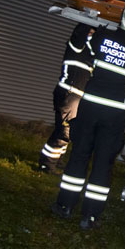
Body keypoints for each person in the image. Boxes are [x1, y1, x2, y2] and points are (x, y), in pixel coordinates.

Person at [51, 3, 125, 230]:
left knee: (79, 155)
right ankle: (90, 217)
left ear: (122, 18)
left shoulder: (100, 38)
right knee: (102, 164)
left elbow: (87, 51)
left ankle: (64, 206)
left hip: (89, 106)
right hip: (116, 113)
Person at [35, 23, 94, 174]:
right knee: (64, 132)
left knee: (65, 129)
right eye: (91, 32)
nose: (93, 35)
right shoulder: (77, 45)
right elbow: (81, 34)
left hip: (72, 95)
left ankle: (55, 159)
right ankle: (47, 165)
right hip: (69, 95)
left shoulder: (88, 52)